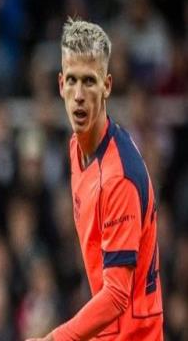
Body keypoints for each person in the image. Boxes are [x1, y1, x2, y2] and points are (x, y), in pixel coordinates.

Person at [27, 18, 163, 340]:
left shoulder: (118, 178)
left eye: (89, 81)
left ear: (107, 86)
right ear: (60, 84)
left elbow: (116, 295)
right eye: (72, 80)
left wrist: (55, 339)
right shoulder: (77, 148)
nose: (78, 95)